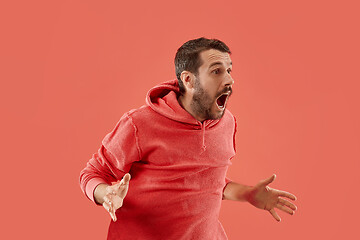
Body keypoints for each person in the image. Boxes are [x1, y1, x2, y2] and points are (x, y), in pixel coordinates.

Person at [79, 37, 297, 240]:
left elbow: (209, 183)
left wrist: (248, 194)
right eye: (217, 71)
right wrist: (105, 193)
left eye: (229, 70)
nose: (230, 79)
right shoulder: (139, 124)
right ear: (188, 80)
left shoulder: (227, 123)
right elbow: (93, 173)